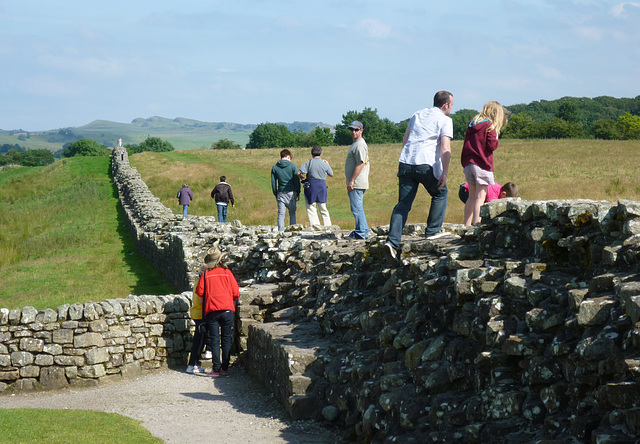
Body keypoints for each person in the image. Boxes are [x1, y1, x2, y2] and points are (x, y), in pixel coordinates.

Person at [384, 91, 454, 264]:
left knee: (403, 204)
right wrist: (444, 172)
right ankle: (432, 231)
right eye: (451, 105)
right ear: (445, 105)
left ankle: (392, 242)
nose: (451, 108)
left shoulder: (418, 114)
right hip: (425, 163)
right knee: (440, 193)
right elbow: (445, 148)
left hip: (406, 161)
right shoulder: (445, 120)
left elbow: (405, 139)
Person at [461, 101, 508, 226]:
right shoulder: (489, 126)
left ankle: (466, 225)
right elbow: (491, 146)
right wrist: (496, 137)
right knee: (480, 198)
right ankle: (477, 225)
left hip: (468, 164)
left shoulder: (473, 123)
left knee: (471, 197)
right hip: (481, 164)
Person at [195, 246, 240, 377]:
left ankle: (216, 369)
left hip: (212, 310)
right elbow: (236, 292)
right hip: (227, 309)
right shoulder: (227, 272)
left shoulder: (206, 274)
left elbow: (200, 292)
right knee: (226, 340)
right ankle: (225, 369)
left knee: (214, 340)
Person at [344, 121, 370, 239]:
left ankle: (362, 232)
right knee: (356, 207)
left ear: (361, 131)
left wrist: (352, 180)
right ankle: (361, 230)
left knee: (356, 208)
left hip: (357, 182)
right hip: (357, 182)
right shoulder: (357, 144)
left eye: (356, 130)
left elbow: (360, 163)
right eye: (352, 130)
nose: (353, 132)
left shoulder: (359, 144)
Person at [298, 145, 333, 226]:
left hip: (311, 186)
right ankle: (328, 226)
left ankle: (315, 226)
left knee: (311, 207)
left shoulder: (308, 163)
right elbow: (331, 174)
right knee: (323, 207)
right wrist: (328, 164)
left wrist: (301, 177)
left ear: (312, 154)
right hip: (322, 186)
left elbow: (299, 173)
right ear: (321, 154)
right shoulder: (324, 163)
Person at [271, 149, 300, 231]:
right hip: (291, 192)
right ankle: (293, 231)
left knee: (281, 214)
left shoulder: (275, 167)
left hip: (281, 192)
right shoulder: (293, 166)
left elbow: (273, 183)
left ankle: (281, 232)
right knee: (292, 213)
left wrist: (276, 193)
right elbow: (296, 181)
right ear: (288, 156)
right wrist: (298, 192)